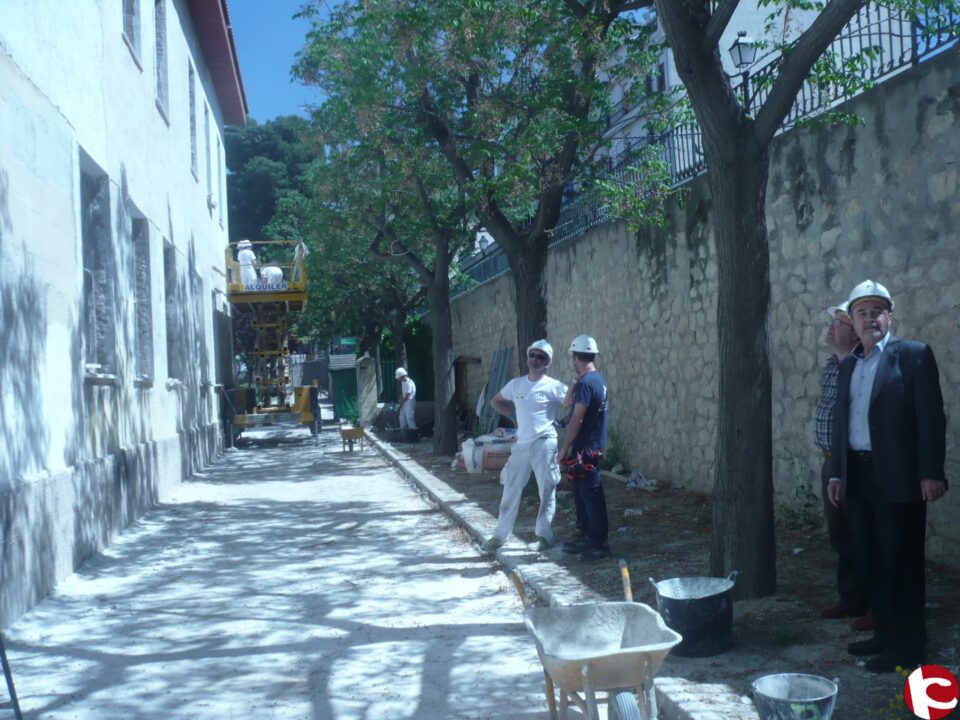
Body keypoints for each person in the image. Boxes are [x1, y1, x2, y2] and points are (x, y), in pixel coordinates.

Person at [828, 279, 947, 673]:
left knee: (902, 560)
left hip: (899, 477)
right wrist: (837, 473)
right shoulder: (851, 364)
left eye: (877, 311)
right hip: (858, 476)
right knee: (871, 557)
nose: (869, 319)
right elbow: (841, 421)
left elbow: (931, 419)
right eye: (861, 312)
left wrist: (931, 472)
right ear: (854, 321)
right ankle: (885, 632)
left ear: (890, 316)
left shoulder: (912, 356)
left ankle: (909, 644)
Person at [815, 302, 873, 631]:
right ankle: (851, 599)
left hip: (855, 464)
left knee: (865, 535)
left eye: (839, 324)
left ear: (854, 334)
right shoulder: (831, 364)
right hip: (831, 463)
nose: (831, 329)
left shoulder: (861, 365)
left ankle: (877, 606)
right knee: (841, 536)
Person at [481, 340, 568, 554]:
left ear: (547, 363)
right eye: (533, 355)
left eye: (541, 357)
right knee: (510, 486)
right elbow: (496, 401)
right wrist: (511, 416)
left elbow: (576, 404)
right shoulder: (516, 384)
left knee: (546, 490)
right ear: (528, 358)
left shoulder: (554, 386)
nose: (535, 360)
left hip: (544, 443)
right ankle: (500, 536)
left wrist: (563, 422)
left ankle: (544, 536)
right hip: (521, 445)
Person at [558, 334, 610, 562]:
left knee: (591, 495)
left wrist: (564, 448)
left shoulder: (588, 384)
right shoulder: (595, 380)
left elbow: (576, 419)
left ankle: (599, 543)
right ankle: (587, 536)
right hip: (590, 446)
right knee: (582, 493)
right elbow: (567, 404)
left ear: (575, 356)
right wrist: (574, 382)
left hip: (585, 448)